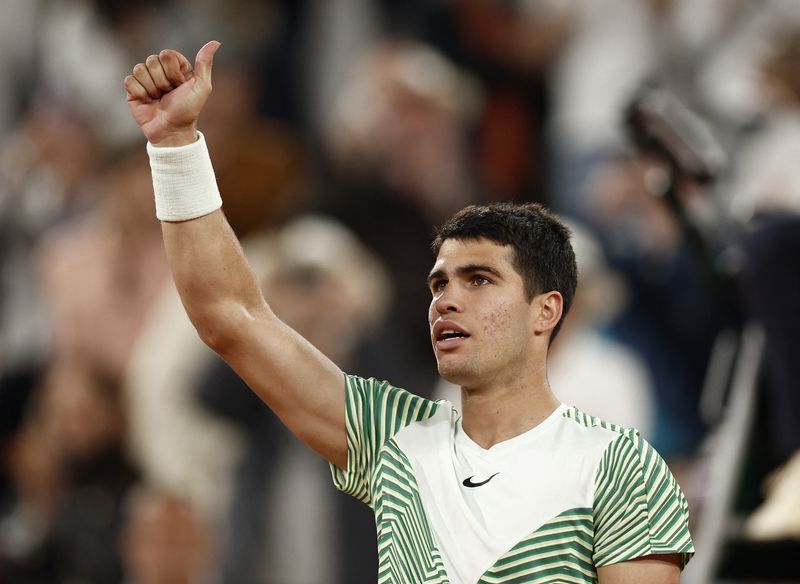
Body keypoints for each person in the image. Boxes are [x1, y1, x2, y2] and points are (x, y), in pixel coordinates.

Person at [123, 41, 694, 583]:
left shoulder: (621, 467)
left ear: (546, 310)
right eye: (439, 282)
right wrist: (176, 145)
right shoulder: (397, 442)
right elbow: (231, 316)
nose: (447, 299)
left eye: (480, 280)